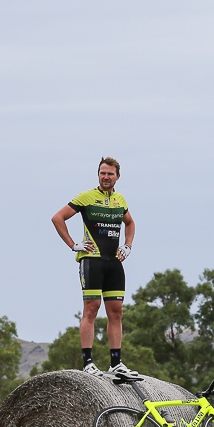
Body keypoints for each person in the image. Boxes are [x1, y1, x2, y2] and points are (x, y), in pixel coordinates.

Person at [51, 157, 138, 379]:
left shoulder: (120, 200)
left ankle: (116, 363)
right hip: (92, 261)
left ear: (118, 176)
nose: (106, 177)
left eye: (110, 174)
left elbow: (130, 222)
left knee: (116, 312)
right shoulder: (87, 197)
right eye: (102, 173)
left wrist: (128, 245)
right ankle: (88, 361)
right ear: (98, 175)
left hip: (114, 262)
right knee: (92, 308)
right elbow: (58, 218)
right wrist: (73, 245)